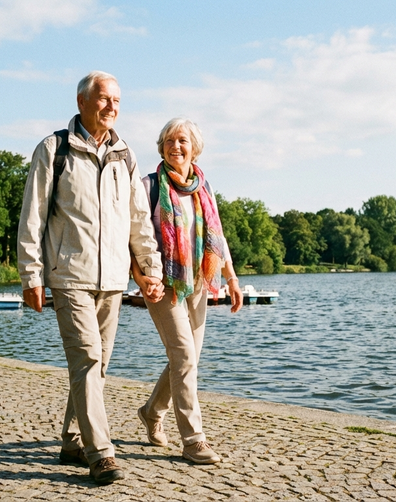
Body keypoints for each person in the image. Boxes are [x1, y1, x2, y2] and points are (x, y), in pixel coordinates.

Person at [17, 71, 164, 485]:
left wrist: (149, 269)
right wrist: (32, 275)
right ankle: (101, 453)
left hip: (114, 279)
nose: (112, 106)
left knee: (97, 368)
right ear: (82, 101)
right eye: (103, 99)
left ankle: (72, 441)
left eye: (117, 99)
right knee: (88, 359)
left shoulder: (125, 156)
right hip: (69, 276)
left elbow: (139, 220)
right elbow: (32, 216)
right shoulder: (54, 149)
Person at [131, 118, 243, 464]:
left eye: (182, 141)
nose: (174, 146)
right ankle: (193, 440)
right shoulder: (149, 186)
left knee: (186, 359)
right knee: (184, 357)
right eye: (168, 140)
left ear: (194, 148)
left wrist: (232, 278)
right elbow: (130, 237)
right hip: (163, 285)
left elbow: (217, 237)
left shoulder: (203, 188)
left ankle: (151, 412)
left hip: (197, 285)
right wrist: (139, 276)